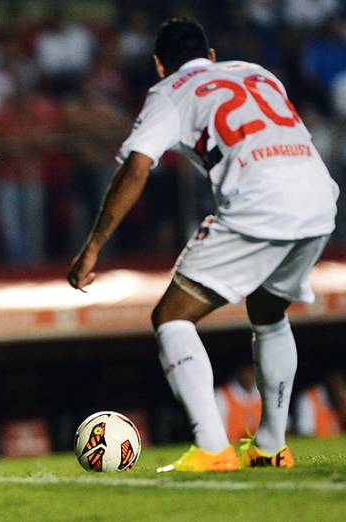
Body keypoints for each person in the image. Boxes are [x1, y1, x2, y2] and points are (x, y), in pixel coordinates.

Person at [67, 18, 339, 472]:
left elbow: (136, 168)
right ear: (210, 56)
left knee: (172, 317)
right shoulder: (257, 73)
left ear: (159, 66)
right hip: (319, 196)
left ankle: (213, 448)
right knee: (269, 314)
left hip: (261, 202)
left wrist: (93, 246)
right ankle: (271, 446)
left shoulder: (169, 91)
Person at [214, 365, 262, 442]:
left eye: (251, 371)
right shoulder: (221, 395)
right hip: (232, 447)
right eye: (245, 371)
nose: (248, 375)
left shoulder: (264, 393)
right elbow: (216, 433)